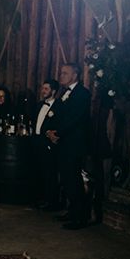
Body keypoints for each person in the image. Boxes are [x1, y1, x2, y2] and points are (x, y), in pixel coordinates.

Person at [46, 63, 91, 230]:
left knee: (74, 179)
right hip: (64, 143)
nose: (61, 76)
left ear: (74, 75)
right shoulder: (64, 93)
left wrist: (58, 132)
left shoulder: (83, 93)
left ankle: (80, 217)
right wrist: (51, 130)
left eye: (65, 73)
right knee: (66, 178)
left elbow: (75, 118)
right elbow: (60, 115)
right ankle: (72, 211)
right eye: (61, 72)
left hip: (74, 144)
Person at [32, 78, 60, 210]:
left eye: (46, 89)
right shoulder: (38, 105)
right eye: (43, 88)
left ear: (53, 91)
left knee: (49, 173)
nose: (43, 91)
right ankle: (40, 198)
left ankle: (51, 201)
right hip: (37, 141)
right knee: (38, 171)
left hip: (49, 143)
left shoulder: (58, 106)